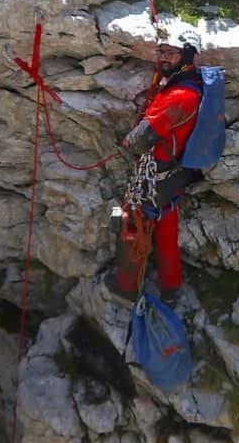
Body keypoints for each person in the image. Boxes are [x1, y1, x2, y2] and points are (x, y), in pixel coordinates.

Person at [104, 27, 204, 306]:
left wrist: (123, 142)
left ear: (187, 56)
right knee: (165, 226)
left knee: (129, 227)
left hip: (152, 178)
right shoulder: (188, 86)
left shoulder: (179, 96)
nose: (162, 58)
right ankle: (170, 287)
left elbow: (139, 141)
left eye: (170, 53)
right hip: (171, 177)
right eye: (161, 51)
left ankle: (125, 286)